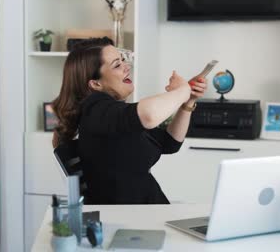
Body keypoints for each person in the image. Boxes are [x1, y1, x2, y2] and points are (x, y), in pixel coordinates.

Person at [52, 37, 208, 204]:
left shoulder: (113, 114)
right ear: (96, 84)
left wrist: (188, 101)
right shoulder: (96, 110)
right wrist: (182, 90)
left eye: (123, 60)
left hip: (148, 212)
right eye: (117, 65)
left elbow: (170, 143)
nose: (127, 67)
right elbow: (149, 115)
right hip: (131, 219)